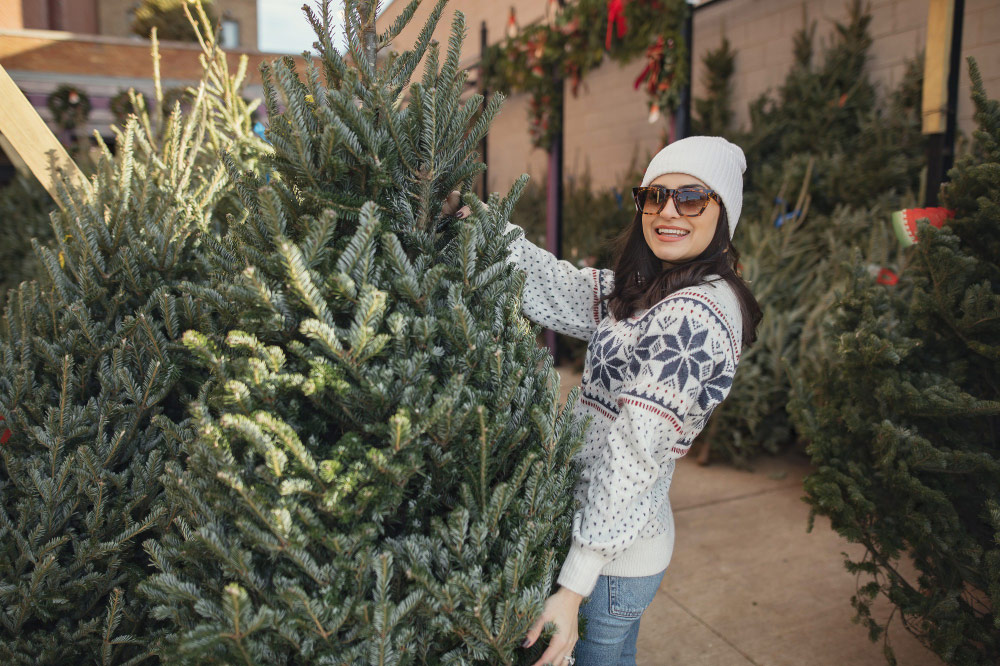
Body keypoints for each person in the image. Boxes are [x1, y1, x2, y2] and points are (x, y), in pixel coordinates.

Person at [442, 136, 761, 666]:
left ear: (724, 213)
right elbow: (561, 287)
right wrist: (475, 221)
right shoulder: (656, 289)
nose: (667, 212)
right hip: (620, 549)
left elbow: (633, 456)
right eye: (654, 196)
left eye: (691, 199)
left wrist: (573, 588)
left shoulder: (694, 318)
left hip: (611, 566)